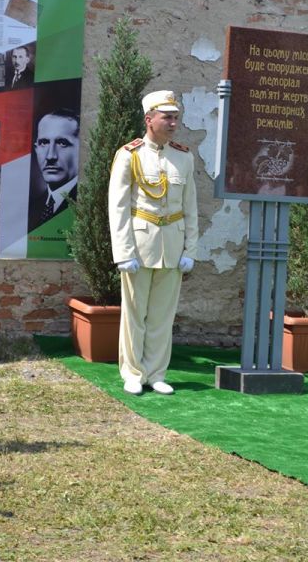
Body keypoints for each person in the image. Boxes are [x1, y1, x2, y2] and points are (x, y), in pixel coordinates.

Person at [108, 90, 198, 396]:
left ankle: (157, 372)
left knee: (162, 315)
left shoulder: (183, 157)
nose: (173, 123)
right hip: (139, 244)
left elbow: (191, 207)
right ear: (149, 119)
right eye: (167, 117)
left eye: (176, 117)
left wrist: (190, 249)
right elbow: (118, 207)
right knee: (134, 314)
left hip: (172, 245)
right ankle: (133, 372)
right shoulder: (129, 155)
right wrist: (123, 252)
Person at [28, 109, 79, 231]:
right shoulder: (33, 207)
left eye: (62, 143)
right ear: (36, 148)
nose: (51, 156)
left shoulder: (84, 202)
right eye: (44, 143)